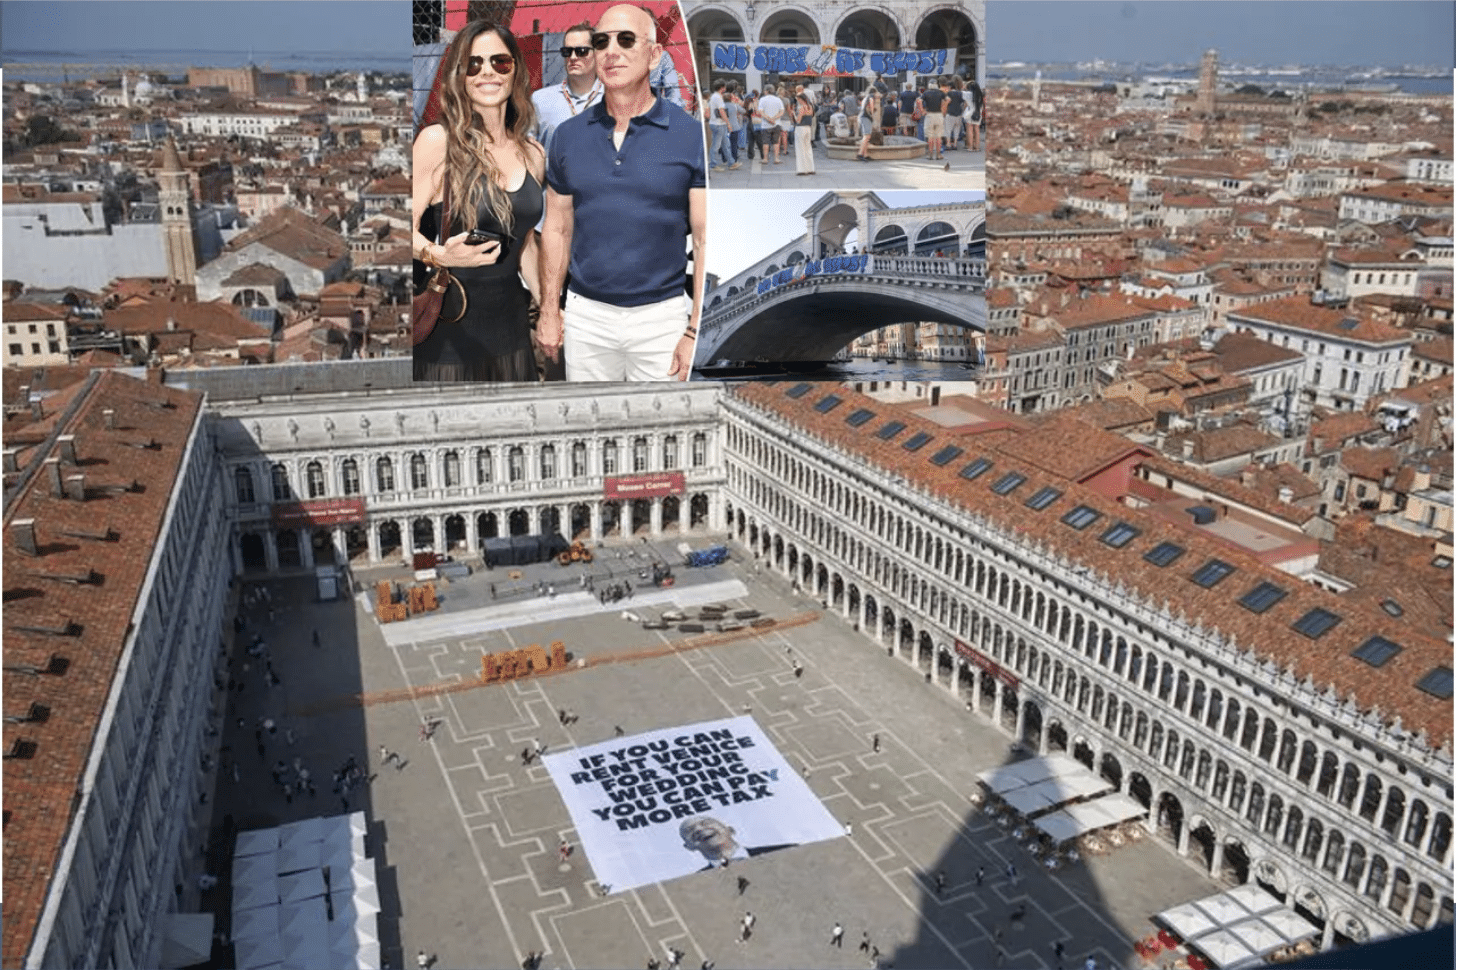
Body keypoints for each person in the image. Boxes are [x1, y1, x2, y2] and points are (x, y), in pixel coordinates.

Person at [538, 5, 706, 382]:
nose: (611, 51)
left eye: (626, 40)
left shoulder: (691, 136)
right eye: (601, 42)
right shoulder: (567, 136)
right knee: (589, 418)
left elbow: (705, 237)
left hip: (661, 319)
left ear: (654, 55)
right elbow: (557, 227)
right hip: (585, 317)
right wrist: (550, 309)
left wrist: (695, 328)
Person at [413, 21, 545, 382]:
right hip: (448, 338)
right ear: (459, 76)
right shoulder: (437, 142)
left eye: (499, 62)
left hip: (513, 334)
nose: (487, 72)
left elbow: (525, 243)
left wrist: (549, 308)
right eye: (473, 64)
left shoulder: (533, 153)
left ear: (515, 71)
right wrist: (439, 255)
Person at [530, 22, 603, 157]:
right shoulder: (540, 100)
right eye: (567, 51)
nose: (573, 57)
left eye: (581, 51)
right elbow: (526, 149)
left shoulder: (614, 97)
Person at [707, 80, 736, 171]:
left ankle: (731, 162)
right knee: (716, 145)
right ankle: (713, 164)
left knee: (725, 144)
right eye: (724, 86)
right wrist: (728, 123)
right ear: (722, 87)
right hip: (718, 124)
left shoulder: (714, 96)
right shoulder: (718, 97)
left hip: (717, 123)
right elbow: (722, 111)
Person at [757, 84, 785, 165]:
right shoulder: (778, 99)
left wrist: (769, 119)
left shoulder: (762, 99)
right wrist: (774, 119)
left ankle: (765, 159)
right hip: (777, 123)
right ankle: (776, 158)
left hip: (765, 124)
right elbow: (781, 111)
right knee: (776, 142)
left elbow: (761, 112)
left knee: (765, 142)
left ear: (766, 91)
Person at [919, 77, 946, 160]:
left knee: (930, 136)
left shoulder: (926, 93)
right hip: (939, 115)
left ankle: (930, 154)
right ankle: (938, 154)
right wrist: (943, 110)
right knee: (938, 136)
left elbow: (919, 101)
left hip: (929, 115)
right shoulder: (941, 93)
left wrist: (922, 111)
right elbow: (947, 100)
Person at [792, 93, 816, 176]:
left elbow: (798, 120)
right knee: (808, 148)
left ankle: (802, 169)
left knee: (800, 148)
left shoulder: (802, 107)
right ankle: (810, 168)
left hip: (800, 128)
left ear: (800, 99)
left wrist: (793, 114)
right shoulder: (810, 107)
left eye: (798, 99)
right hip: (808, 128)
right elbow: (811, 116)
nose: (797, 101)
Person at [855, 87, 879, 162]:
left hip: (862, 117)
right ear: (874, 92)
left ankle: (865, 155)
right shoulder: (871, 97)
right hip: (866, 118)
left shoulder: (865, 98)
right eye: (877, 93)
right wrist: (872, 114)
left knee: (867, 137)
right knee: (866, 136)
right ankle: (859, 154)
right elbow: (871, 104)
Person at [945, 77, 964, 150]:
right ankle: (955, 144)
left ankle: (948, 144)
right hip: (958, 113)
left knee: (948, 130)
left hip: (950, 113)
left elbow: (946, 102)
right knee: (957, 130)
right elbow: (962, 102)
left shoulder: (948, 93)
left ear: (950, 86)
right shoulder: (960, 93)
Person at [966, 78, 983, 151]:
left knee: (969, 129)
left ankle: (970, 147)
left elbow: (966, 104)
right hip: (978, 112)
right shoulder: (980, 95)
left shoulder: (968, 94)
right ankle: (977, 147)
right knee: (977, 129)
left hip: (970, 113)